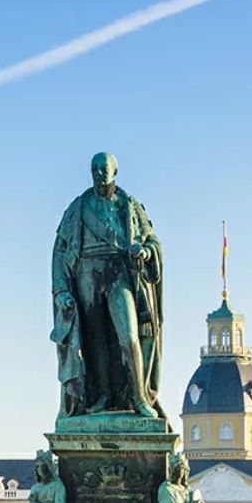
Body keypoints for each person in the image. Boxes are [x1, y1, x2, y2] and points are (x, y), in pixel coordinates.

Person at [51, 152, 165, 419]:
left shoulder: (129, 206)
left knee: (129, 337)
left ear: (115, 171)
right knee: (95, 340)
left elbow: (152, 241)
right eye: (94, 168)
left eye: (104, 168)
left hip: (118, 273)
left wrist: (146, 253)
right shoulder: (77, 208)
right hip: (87, 273)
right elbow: (60, 251)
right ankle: (102, 394)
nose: (99, 173)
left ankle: (138, 397)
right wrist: (61, 290)